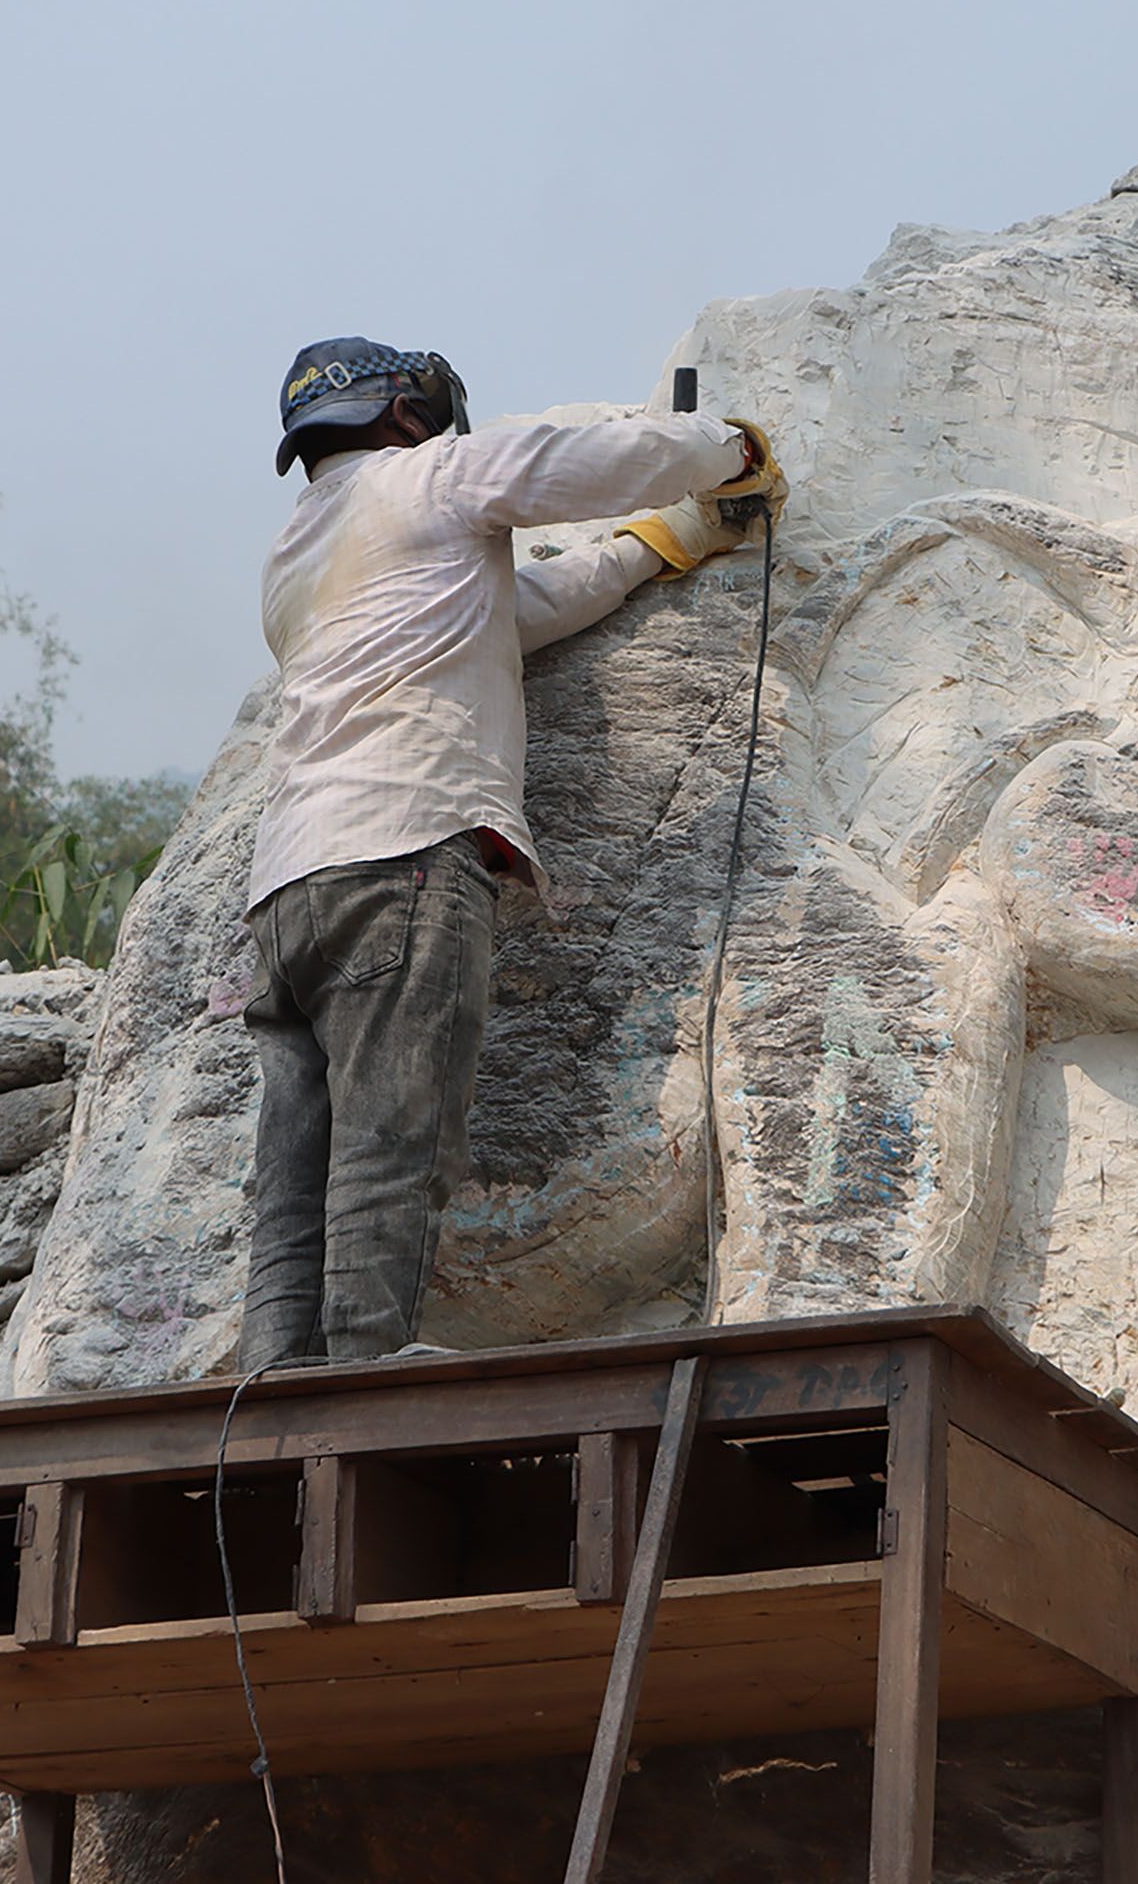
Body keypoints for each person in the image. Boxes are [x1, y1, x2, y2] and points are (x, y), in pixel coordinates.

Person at [236, 337, 784, 1370]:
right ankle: (364, 1382)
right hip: (401, 854)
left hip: (287, 890)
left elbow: (503, 618)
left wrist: (651, 548)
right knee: (390, 1140)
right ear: (404, 410)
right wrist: (729, 447)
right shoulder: (433, 473)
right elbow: (573, 460)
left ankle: (267, 1386)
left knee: (293, 1173)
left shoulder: (298, 554)